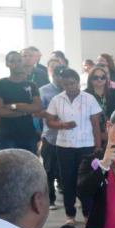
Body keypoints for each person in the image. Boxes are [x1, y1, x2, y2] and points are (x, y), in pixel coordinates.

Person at [41, 69, 103, 225]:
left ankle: (88, 212)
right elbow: (49, 121)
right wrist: (62, 125)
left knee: (85, 181)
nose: (70, 87)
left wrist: (98, 146)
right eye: (66, 84)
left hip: (86, 146)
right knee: (67, 180)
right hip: (64, 146)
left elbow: (96, 124)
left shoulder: (89, 99)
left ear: (78, 82)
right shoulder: (57, 99)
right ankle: (70, 214)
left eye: (72, 83)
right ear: (62, 84)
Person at [0, 51, 42, 152]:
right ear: (7, 64)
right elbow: (0, 111)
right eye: (12, 61)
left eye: (19, 60)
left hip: (28, 133)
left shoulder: (31, 85)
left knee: (29, 165)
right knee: (8, 166)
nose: (17, 63)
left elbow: (37, 107)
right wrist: (25, 111)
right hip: (8, 134)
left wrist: (14, 106)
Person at [38, 64, 66, 209]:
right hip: (50, 136)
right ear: (54, 76)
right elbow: (38, 112)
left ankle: (69, 196)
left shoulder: (72, 90)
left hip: (68, 138)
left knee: (66, 168)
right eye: (60, 76)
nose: (63, 79)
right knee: (49, 169)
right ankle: (51, 199)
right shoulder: (44, 91)